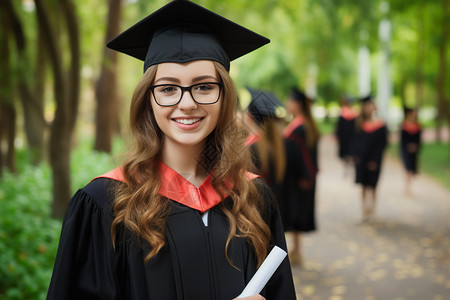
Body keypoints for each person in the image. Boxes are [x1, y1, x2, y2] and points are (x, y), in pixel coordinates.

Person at [46, 1, 296, 299]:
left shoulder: (253, 199)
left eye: (204, 86)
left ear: (224, 96)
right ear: (147, 100)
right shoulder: (106, 205)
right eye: (167, 88)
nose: (187, 103)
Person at [282, 88, 319, 266]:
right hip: (297, 177)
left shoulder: (300, 127)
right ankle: (296, 249)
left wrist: (306, 176)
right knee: (296, 211)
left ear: (297, 104)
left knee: (297, 211)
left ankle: (297, 251)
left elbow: (304, 155)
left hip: (299, 178)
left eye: (289, 101)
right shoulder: (301, 124)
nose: (287, 105)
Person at [244, 89, 287, 223]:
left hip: (255, 211)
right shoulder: (276, 144)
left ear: (250, 116)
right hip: (274, 207)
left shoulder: (251, 147)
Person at [352, 95, 388, 222]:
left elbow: (382, 144)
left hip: (374, 159)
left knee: (372, 185)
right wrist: (355, 156)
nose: (369, 107)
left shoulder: (381, 125)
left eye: (371, 104)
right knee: (363, 184)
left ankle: (372, 210)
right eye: (366, 105)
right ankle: (363, 210)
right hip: (361, 159)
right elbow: (355, 141)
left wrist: (375, 160)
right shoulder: (359, 122)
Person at [400, 107, 421, 196]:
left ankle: (408, 187)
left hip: (414, 151)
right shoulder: (404, 126)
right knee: (408, 169)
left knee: (411, 170)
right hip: (406, 151)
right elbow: (402, 140)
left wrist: (416, 147)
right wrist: (408, 147)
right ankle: (407, 188)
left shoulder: (418, 126)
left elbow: (419, 140)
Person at [335, 95, 357, 176]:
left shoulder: (343, 113)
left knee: (346, 153)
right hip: (350, 137)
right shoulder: (353, 113)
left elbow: (338, 127)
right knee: (349, 152)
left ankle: (346, 168)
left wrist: (337, 135)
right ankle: (348, 167)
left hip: (344, 137)